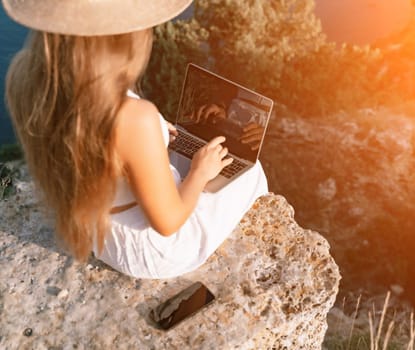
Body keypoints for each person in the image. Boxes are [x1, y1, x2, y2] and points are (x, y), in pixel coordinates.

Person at [2, 0, 268, 279]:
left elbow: (98, 142)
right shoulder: (134, 119)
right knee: (251, 172)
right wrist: (200, 175)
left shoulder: (27, 79)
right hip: (151, 250)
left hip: (98, 231)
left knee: (190, 150)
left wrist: (157, 131)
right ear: (127, 38)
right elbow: (169, 222)